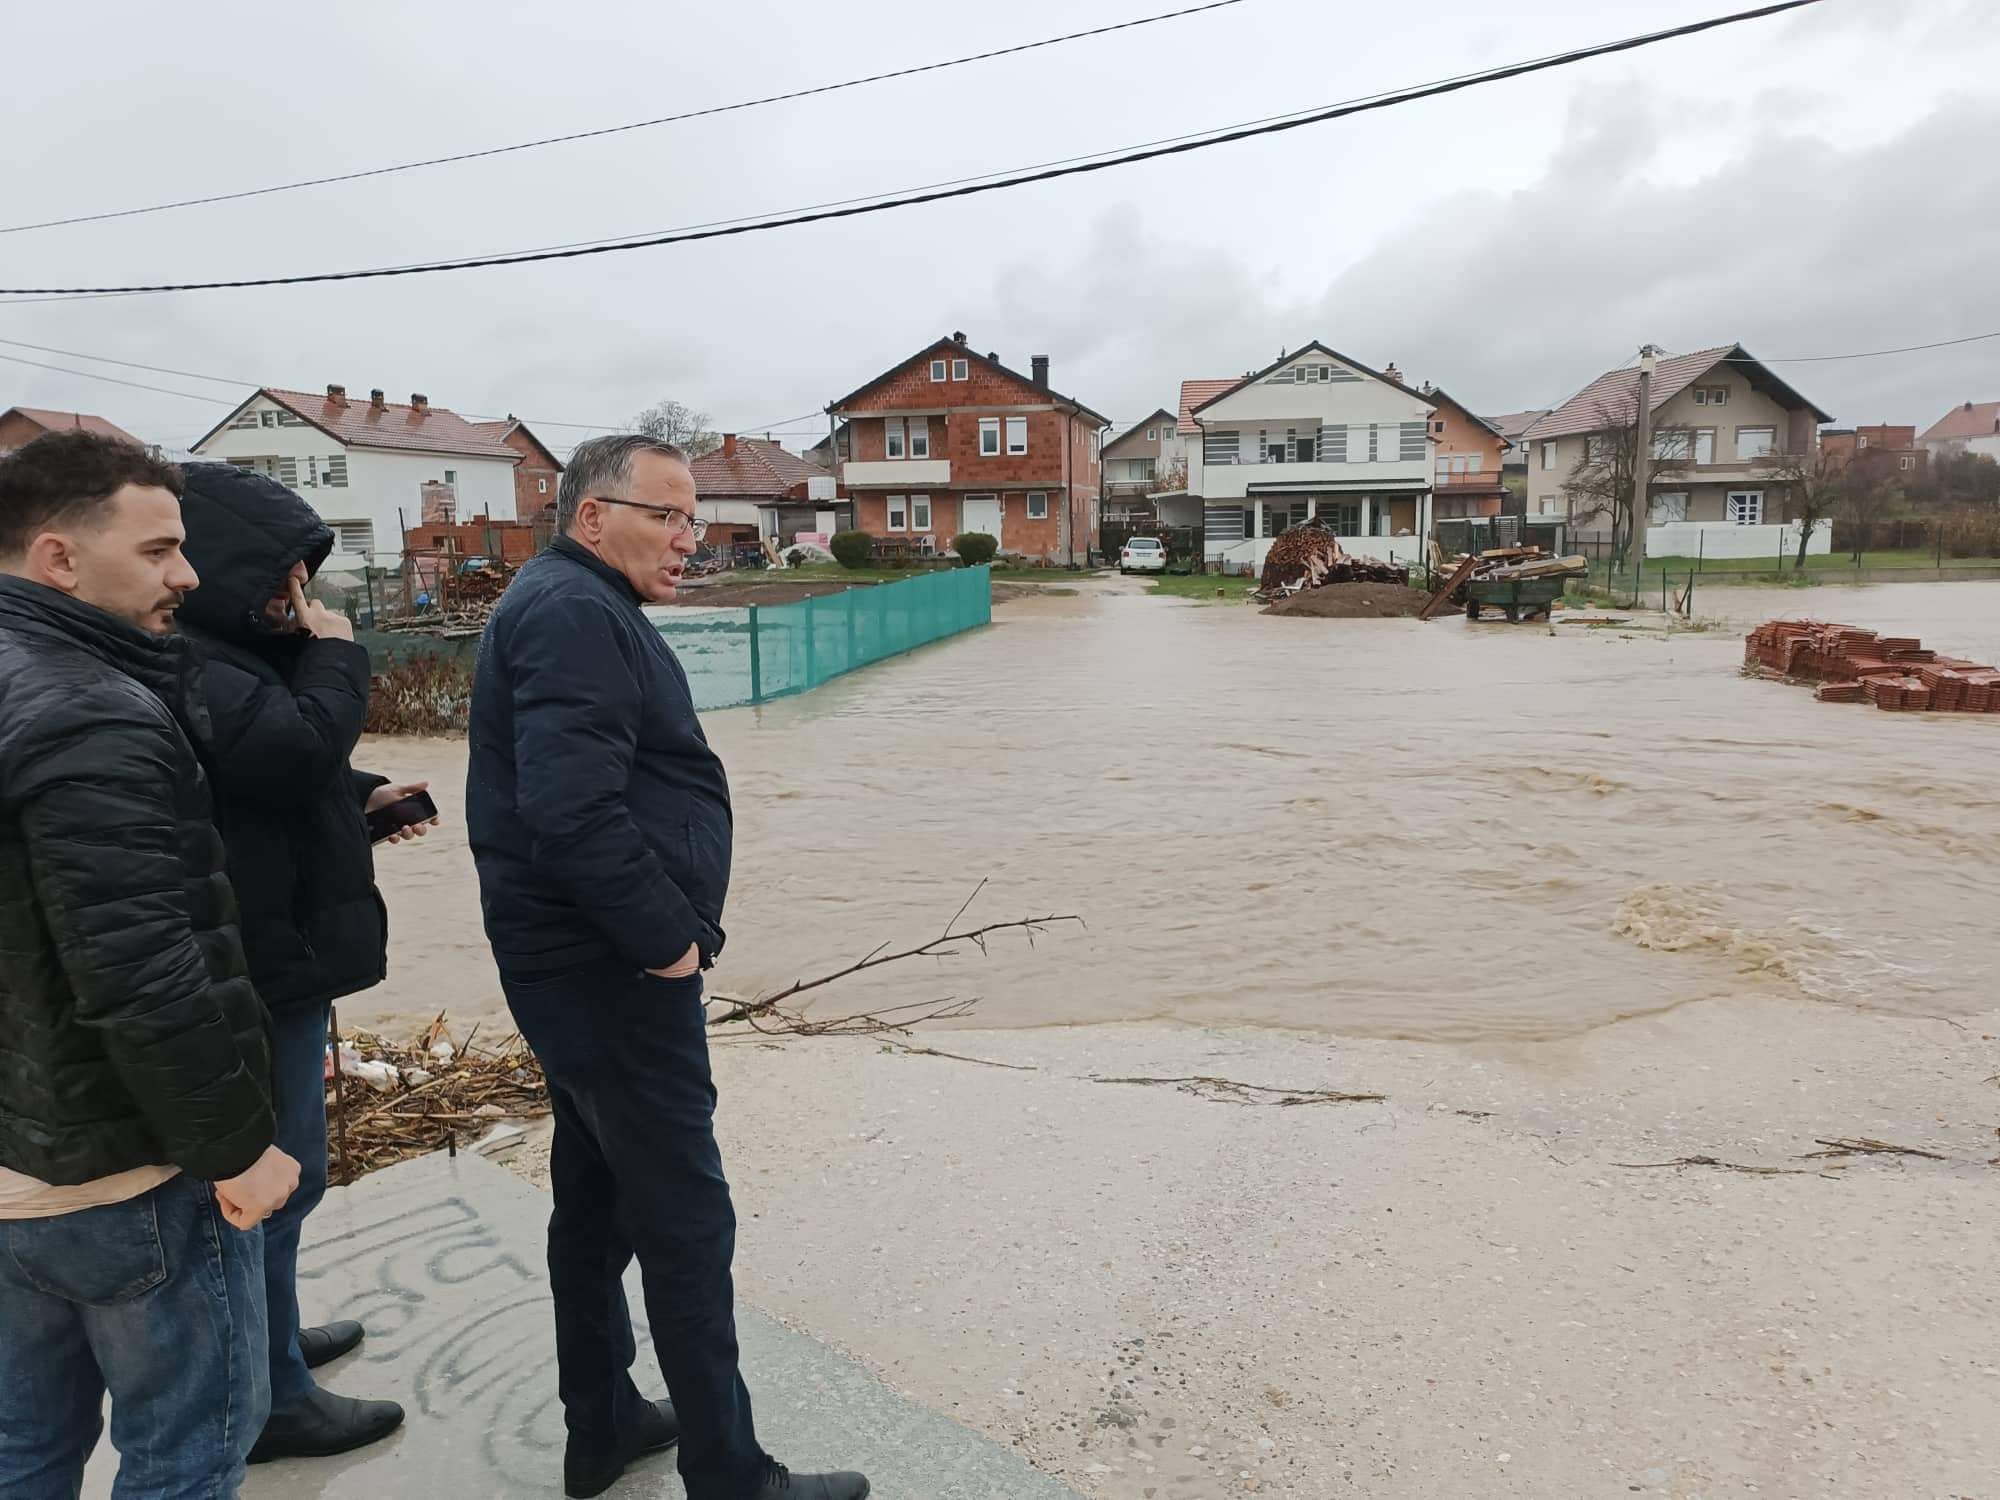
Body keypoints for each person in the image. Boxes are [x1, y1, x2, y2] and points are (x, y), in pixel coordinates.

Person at [467, 434, 868, 1500]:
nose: (690, 540)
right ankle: (730, 1475)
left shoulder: (568, 603)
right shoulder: (571, 612)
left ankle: (601, 1423)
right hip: (610, 973)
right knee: (686, 1222)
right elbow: (568, 806)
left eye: (695, 521)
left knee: (594, 1200)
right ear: (593, 516)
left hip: (571, 968)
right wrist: (665, 940)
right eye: (669, 516)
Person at [0, 431, 300, 1497]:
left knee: (27, 1447)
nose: (188, 575)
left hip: (17, 1165)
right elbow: (142, 970)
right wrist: (236, 1151)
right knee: (190, 1446)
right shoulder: (91, 712)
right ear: (58, 559)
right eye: (163, 549)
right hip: (122, 1168)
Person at [173, 462, 428, 1464]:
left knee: (291, 1180)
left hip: (277, 949)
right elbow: (282, 751)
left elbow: (277, 776)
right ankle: (271, 1392)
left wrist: (358, 797)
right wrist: (342, 657)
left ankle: (275, 1341)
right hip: (254, 959)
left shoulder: (233, 655)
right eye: (286, 574)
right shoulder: (201, 659)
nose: (302, 595)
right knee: (273, 1182)